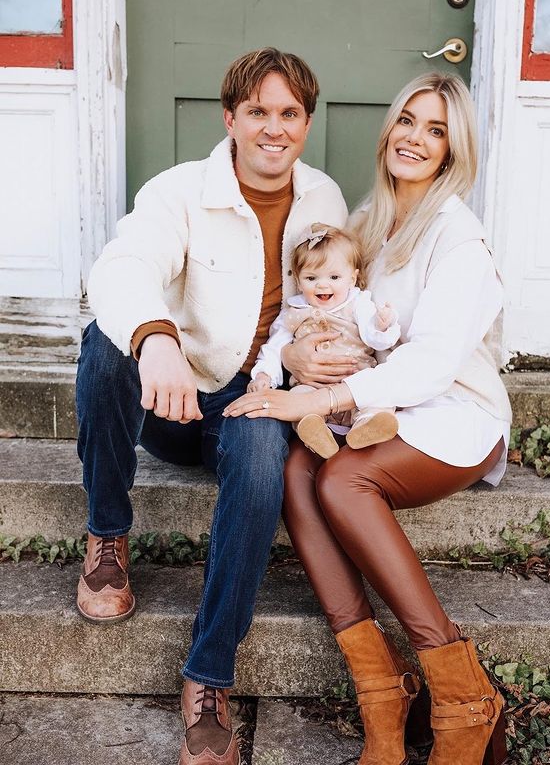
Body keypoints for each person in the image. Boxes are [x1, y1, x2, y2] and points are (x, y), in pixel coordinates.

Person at [224, 71, 513, 765]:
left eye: (436, 129)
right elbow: (324, 310)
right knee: (298, 469)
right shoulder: (372, 223)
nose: (415, 137)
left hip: (453, 414)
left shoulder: (458, 240)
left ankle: (464, 695)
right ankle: (383, 689)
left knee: (341, 483)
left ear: (453, 150)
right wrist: (292, 354)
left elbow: (432, 365)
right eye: (408, 120)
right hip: (380, 408)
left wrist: (316, 399)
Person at [75, 48, 347, 765]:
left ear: (307, 122)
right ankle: (107, 534)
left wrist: (308, 358)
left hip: (253, 398)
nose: (274, 128)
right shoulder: (180, 192)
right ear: (230, 118)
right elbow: (122, 266)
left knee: (261, 460)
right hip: (176, 397)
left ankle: (208, 677)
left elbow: (330, 296)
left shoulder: (324, 198)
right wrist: (156, 339)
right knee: (105, 346)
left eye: (289, 113)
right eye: (258, 111)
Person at [248, 223, 400, 458]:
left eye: (334, 276)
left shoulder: (358, 304)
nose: (322, 284)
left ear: (353, 278)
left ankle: (367, 427)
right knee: (298, 401)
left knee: (377, 398)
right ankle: (315, 433)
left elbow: (375, 338)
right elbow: (275, 347)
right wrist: (263, 375)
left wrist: (382, 324)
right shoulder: (294, 311)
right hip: (311, 389)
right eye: (311, 277)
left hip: (355, 385)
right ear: (298, 281)